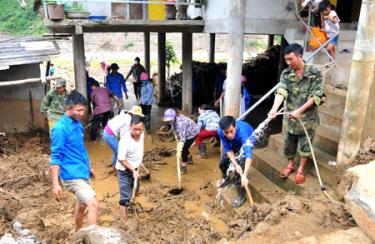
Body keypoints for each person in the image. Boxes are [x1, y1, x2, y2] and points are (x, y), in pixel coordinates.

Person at [268, 43, 323, 185]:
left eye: (291, 59)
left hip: (307, 119)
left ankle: (300, 170)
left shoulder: (314, 73)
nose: (288, 62)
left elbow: (315, 96)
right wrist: (274, 108)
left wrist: (300, 110)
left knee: (306, 146)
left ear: (300, 56)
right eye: (286, 59)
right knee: (289, 144)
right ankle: (290, 165)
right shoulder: (286, 73)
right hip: (291, 119)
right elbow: (282, 91)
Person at [50, 91, 99, 231]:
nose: (82, 113)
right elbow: (55, 157)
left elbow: (81, 148)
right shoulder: (59, 129)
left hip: (83, 171)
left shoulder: (77, 124)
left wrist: (89, 166)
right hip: (71, 176)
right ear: (68, 108)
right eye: (79, 110)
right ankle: (92, 238)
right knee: (93, 203)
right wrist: (55, 184)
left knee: (82, 205)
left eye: (84, 109)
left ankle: (77, 234)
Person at [217, 116, 254, 209]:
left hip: (245, 142)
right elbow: (228, 149)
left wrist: (244, 175)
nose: (229, 135)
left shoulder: (243, 133)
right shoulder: (220, 131)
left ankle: (241, 196)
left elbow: (248, 156)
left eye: (231, 131)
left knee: (240, 173)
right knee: (222, 163)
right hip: (233, 144)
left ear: (235, 127)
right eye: (226, 132)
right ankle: (227, 178)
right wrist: (235, 163)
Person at [116, 116, 145, 225]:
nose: (137, 132)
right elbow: (121, 159)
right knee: (125, 196)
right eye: (135, 129)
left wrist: (137, 166)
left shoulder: (142, 135)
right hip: (124, 171)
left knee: (136, 189)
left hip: (135, 168)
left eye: (140, 130)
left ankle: (131, 204)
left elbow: (139, 150)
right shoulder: (125, 141)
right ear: (130, 127)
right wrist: (133, 170)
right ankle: (125, 222)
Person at [103, 106, 144, 175]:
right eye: (137, 116)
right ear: (134, 115)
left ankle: (114, 168)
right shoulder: (128, 120)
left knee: (117, 151)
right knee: (119, 152)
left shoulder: (126, 115)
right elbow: (123, 136)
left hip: (108, 131)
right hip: (109, 134)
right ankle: (115, 171)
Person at [163, 109, 200, 174]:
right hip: (188, 131)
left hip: (192, 133)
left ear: (174, 117)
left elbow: (183, 139)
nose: (169, 121)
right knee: (185, 147)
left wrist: (179, 151)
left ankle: (184, 168)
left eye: (170, 119)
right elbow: (176, 130)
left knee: (183, 150)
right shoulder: (175, 118)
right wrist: (177, 135)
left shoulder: (180, 124)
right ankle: (189, 159)